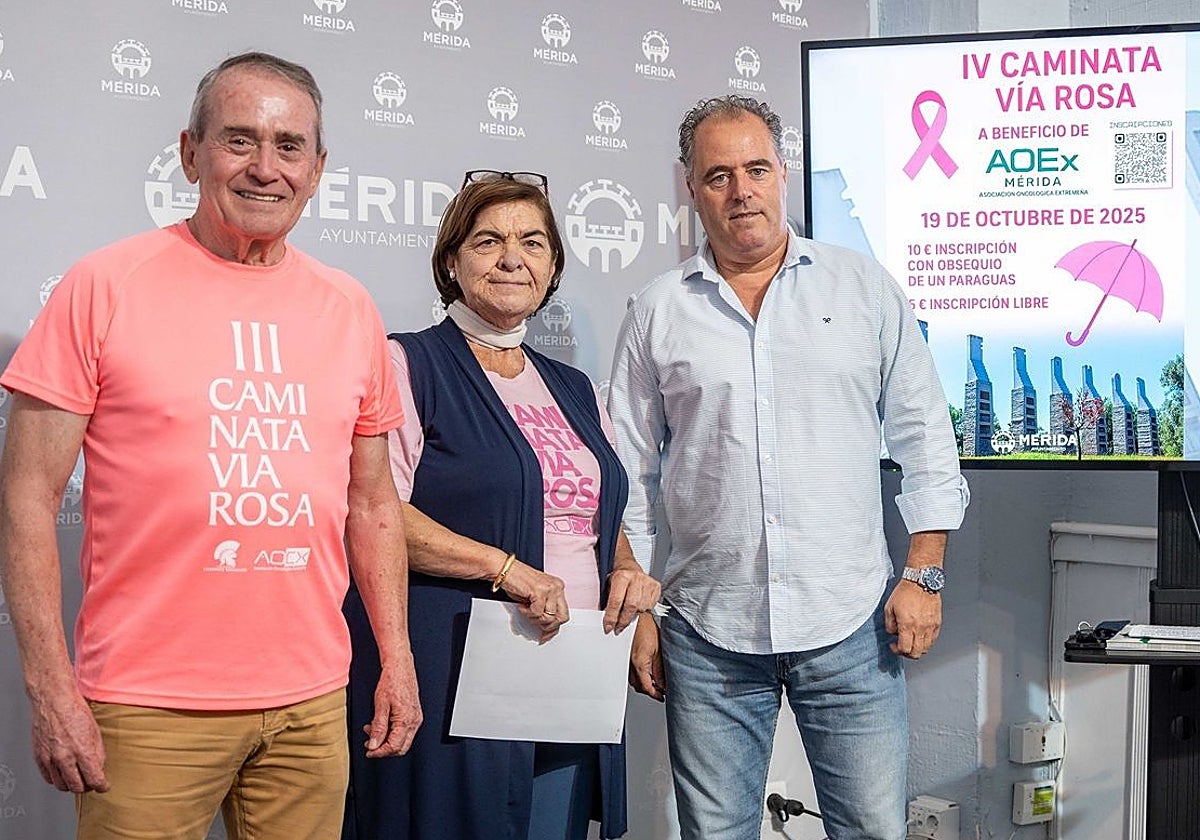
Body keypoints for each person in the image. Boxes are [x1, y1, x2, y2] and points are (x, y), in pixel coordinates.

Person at [0, 52, 421, 840]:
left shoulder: (349, 307)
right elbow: (26, 497)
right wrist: (51, 688)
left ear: (318, 168)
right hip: (146, 705)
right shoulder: (104, 286)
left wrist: (395, 658)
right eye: (239, 139)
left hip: (310, 707)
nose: (266, 167)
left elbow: (371, 503)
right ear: (190, 152)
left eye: (289, 146)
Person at [608, 95, 970, 840]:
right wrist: (640, 611)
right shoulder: (656, 310)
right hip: (707, 632)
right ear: (690, 187)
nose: (741, 191)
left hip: (851, 625)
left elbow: (925, 435)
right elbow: (629, 470)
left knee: (872, 830)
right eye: (718, 176)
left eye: (756, 169)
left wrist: (925, 573)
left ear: (783, 173)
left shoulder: (863, 288)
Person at [342, 170, 659, 840]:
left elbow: (595, 509)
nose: (513, 258)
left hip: (573, 672)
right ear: (451, 262)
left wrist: (627, 569)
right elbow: (375, 511)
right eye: (488, 241)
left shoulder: (575, 387)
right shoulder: (407, 364)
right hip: (454, 673)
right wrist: (504, 568)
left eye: (533, 242)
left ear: (553, 268)